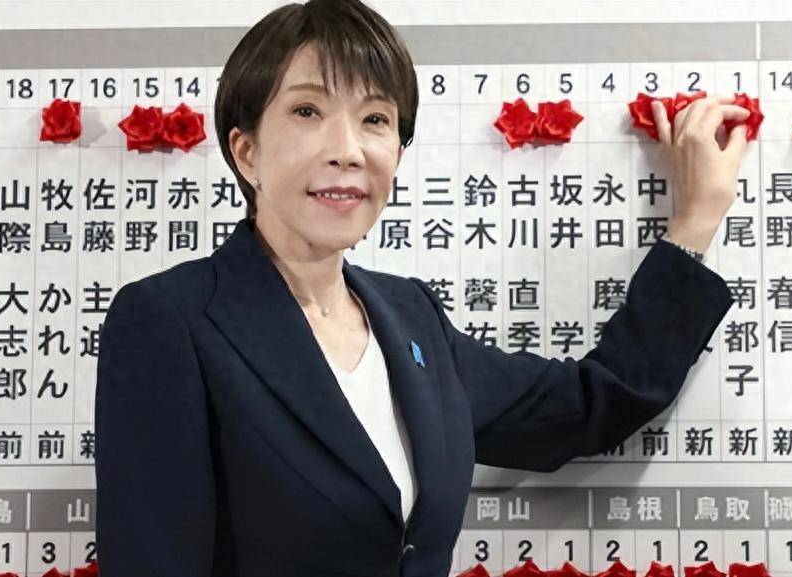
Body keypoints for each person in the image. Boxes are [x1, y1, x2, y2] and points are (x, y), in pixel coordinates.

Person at [93, 1, 752, 576]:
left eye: (375, 119)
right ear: (246, 152)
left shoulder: (410, 317)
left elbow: (587, 406)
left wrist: (696, 220)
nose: (348, 149)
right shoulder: (172, 321)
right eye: (307, 110)